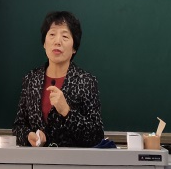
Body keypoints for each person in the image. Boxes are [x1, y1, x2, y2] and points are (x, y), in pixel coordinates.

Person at [12, 11, 104, 147]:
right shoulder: (31, 79)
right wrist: (28, 136)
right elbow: (18, 126)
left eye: (65, 36)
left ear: (74, 48)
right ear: (44, 43)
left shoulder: (86, 81)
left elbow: (96, 135)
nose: (57, 41)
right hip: (36, 159)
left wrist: (66, 111)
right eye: (52, 34)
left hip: (72, 159)